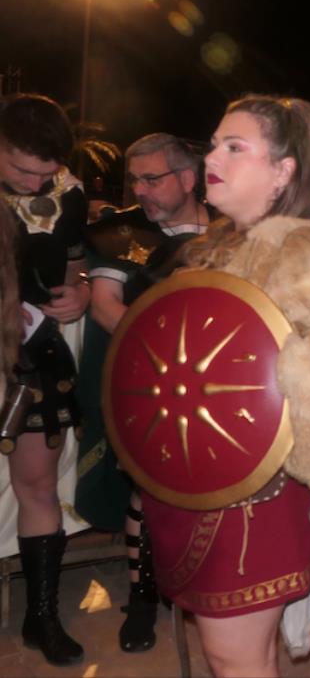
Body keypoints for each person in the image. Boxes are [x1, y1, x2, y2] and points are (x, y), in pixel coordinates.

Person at [136, 95, 310, 677]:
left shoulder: (299, 252)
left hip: (257, 493)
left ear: (282, 170)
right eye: (214, 144)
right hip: (211, 482)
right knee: (243, 656)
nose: (212, 157)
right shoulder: (222, 249)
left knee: (235, 658)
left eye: (235, 147)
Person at [76, 132, 211, 652]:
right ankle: (142, 599)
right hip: (148, 381)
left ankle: (197, 583)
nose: (140, 190)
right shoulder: (121, 231)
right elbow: (105, 304)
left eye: (151, 179)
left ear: (188, 179)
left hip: (218, 387)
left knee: (211, 487)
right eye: (134, 179)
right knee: (147, 490)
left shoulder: (232, 231)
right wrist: (167, 351)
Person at [0, 93, 90, 666]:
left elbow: (76, 264)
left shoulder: (69, 193)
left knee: (37, 486)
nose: (35, 184)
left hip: (33, 357)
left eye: (45, 172)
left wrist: (79, 291)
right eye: (21, 168)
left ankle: (41, 616)